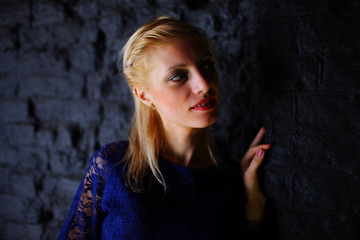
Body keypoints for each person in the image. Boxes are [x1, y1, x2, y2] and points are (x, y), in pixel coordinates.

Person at [58, 16, 271, 240]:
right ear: (143, 94)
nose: (204, 84)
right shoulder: (113, 167)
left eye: (207, 65)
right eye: (179, 76)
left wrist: (253, 209)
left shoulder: (227, 179)